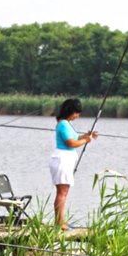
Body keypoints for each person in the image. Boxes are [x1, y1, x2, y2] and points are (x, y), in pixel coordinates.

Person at [49, 98, 97, 230]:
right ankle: (59, 223)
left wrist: (88, 135)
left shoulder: (66, 124)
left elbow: (75, 138)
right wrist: (86, 140)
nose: (78, 115)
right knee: (62, 192)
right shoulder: (63, 124)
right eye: (76, 112)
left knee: (64, 192)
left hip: (65, 160)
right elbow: (71, 143)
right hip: (61, 160)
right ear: (70, 111)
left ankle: (60, 221)